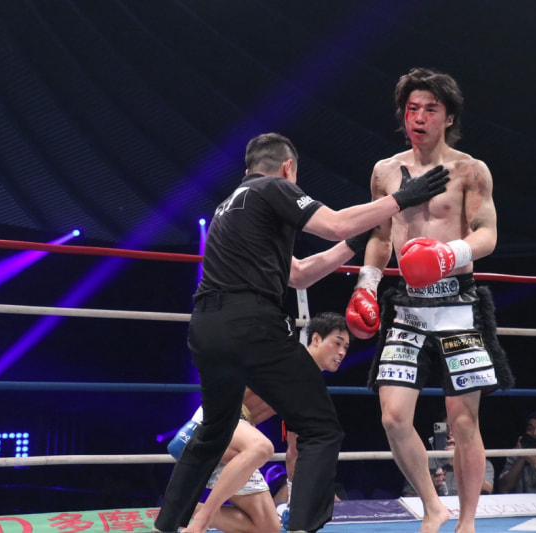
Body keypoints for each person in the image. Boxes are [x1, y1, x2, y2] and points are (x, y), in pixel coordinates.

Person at [154, 132, 449, 533]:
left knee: (213, 433)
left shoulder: (231, 206)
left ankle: (166, 527)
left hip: (208, 328)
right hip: (251, 324)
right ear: (288, 168)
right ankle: (302, 528)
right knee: (320, 428)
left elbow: (299, 274)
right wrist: (401, 199)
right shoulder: (273, 187)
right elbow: (335, 223)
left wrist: (355, 242)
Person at [344, 67, 514, 533]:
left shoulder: (470, 170)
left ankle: (467, 522)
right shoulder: (385, 171)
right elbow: (381, 237)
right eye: (412, 108)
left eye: (430, 109)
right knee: (394, 417)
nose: (418, 117)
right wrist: (366, 285)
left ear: (449, 117)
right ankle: (433, 505)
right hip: (408, 306)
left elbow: (487, 234)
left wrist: (446, 255)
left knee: (463, 422)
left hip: (458, 303)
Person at [165, 312, 353, 533]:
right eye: (337, 343)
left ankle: (187, 508)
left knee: (267, 528)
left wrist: (294, 502)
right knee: (261, 447)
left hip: (241, 440)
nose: (342, 352)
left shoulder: (310, 390)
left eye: (346, 347)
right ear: (316, 339)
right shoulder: (287, 356)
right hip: (221, 420)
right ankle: (201, 521)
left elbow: (295, 450)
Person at [402, 418, 494, 497]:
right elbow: (409, 496)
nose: (450, 434)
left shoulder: (482, 463)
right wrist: (430, 486)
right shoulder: (423, 463)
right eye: (446, 429)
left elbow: (487, 490)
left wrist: (464, 462)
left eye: (457, 429)